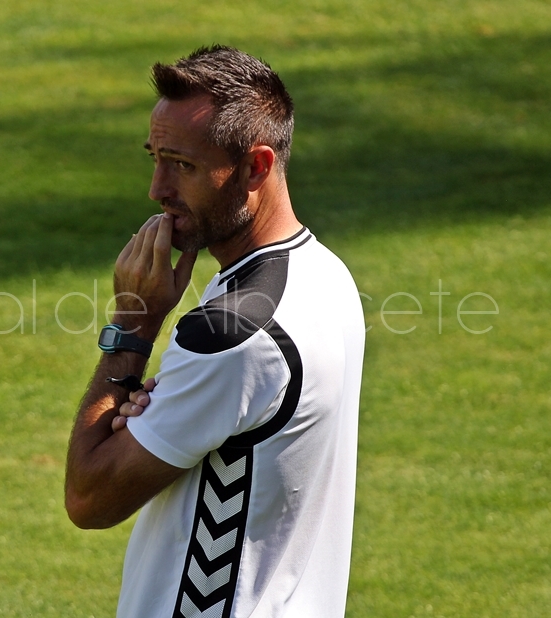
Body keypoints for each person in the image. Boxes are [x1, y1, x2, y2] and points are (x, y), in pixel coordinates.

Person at [65, 45, 365, 618]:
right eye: (154, 158)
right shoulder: (325, 275)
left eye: (183, 165)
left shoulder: (234, 333)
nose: (157, 189)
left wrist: (134, 326)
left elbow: (90, 496)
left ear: (256, 166)